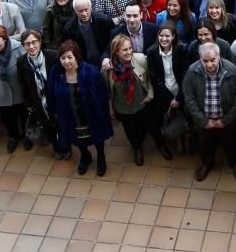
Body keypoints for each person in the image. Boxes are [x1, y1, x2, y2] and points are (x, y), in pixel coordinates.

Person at [103, 34, 173, 165]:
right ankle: (137, 149)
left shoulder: (141, 59)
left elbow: (150, 78)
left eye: (130, 48)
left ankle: (160, 145)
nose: (129, 52)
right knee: (130, 131)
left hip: (143, 104)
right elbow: (107, 91)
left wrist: (150, 94)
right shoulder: (108, 69)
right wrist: (110, 107)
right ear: (116, 52)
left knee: (153, 127)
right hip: (122, 108)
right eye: (125, 50)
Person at [47, 40, 113, 176]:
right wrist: (53, 112)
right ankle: (85, 156)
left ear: (76, 56)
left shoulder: (91, 71)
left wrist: (104, 112)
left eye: (69, 57)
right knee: (76, 138)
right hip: (69, 114)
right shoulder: (56, 72)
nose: (66, 61)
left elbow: (102, 94)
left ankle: (101, 157)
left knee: (97, 137)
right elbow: (51, 93)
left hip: (91, 113)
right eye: (63, 58)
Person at [183, 42, 236, 182]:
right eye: (205, 61)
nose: (209, 64)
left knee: (231, 143)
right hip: (204, 120)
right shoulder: (192, 71)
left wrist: (225, 120)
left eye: (212, 60)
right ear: (200, 58)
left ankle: (235, 164)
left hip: (226, 120)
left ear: (219, 56)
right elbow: (189, 97)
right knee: (205, 144)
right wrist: (203, 121)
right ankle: (206, 163)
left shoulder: (232, 70)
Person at [145, 23, 192, 152]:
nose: (164, 39)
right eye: (161, 36)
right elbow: (155, 79)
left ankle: (185, 138)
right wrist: (170, 98)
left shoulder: (182, 49)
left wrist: (178, 97)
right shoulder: (151, 52)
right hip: (164, 93)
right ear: (158, 36)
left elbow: (185, 75)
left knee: (185, 115)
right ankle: (177, 138)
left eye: (167, 36)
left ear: (173, 37)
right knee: (171, 116)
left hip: (181, 91)